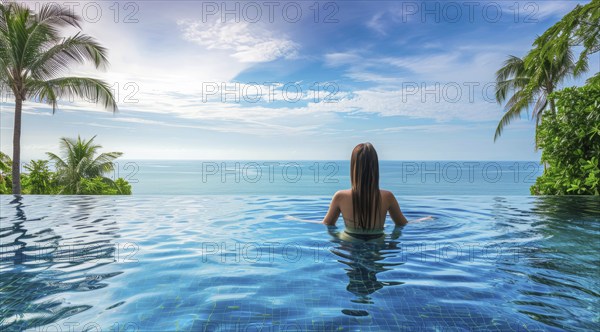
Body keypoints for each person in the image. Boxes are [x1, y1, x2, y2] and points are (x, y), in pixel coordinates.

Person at [322, 142, 431, 241]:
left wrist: (338, 241)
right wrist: (423, 219)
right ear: (375, 167)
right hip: (378, 242)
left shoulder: (340, 196)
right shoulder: (387, 196)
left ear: (353, 167)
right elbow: (402, 225)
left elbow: (327, 224)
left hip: (348, 242)